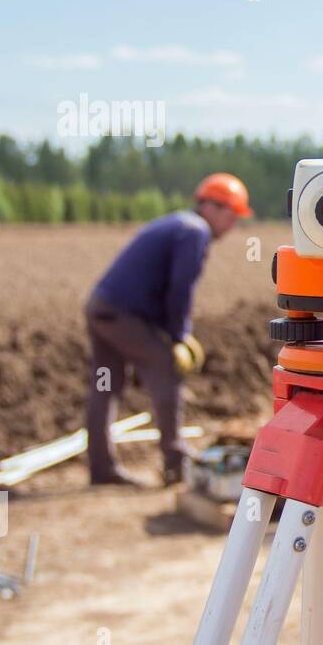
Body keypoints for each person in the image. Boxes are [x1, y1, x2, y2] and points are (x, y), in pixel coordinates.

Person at [84, 173, 252, 486]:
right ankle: (175, 462)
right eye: (231, 217)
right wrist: (178, 338)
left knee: (105, 387)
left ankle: (101, 468)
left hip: (102, 309)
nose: (231, 226)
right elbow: (179, 291)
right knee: (166, 366)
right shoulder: (194, 232)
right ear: (211, 207)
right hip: (122, 314)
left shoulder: (179, 224)